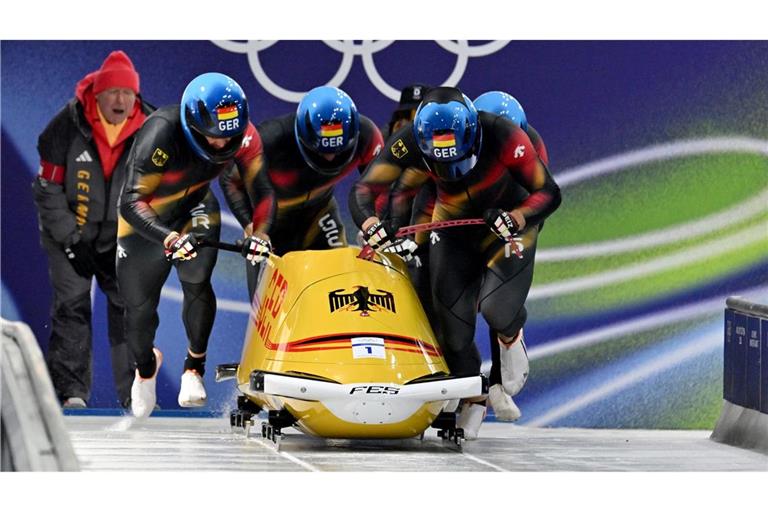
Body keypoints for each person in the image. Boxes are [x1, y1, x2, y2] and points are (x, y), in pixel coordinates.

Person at [350, 87, 561, 439]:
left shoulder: (504, 134)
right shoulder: (409, 141)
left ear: (473, 135)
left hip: (506, 224)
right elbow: (366, 190)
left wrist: (517, 218)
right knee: (453, 330)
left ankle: (510, 335)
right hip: (453, 225)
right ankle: (473, 395)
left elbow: (549, 193)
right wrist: (373, 225)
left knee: (496, 308)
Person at [117, 72, 275, 418]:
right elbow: (130, 201)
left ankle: (194, 368)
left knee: (197, 277)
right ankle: (145, 368)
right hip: (146, 218)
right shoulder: (161, 132)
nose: (222, 143)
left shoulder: (245, 135)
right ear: (192, 124)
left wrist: (260, 233)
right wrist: (169, 238)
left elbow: (262, 189)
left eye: (229, 135)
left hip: (196, 207)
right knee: (139, 309)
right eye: (213, 135)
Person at [32, 50, 152, 409]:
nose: (120, 100)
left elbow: (161, 190)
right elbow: (47, 189)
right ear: (97, 95)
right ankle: (71, 394)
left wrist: (137, 237)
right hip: (69, 234)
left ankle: (135, 396)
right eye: (113, 92)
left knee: (130, 309)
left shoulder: (152, 128)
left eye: (127, 92)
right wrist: (71, 240)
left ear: (136, 97)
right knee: (72, 307)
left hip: (122, 239)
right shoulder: (64, 127)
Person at [220, 85, 383, 298]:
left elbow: (380, 186)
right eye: (321, 150)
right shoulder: (271, 138)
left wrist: (374, 222)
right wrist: (250, 224)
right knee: (268, 301)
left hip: (320, 214)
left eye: (338, 149)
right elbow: (230, 179)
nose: (330, 157)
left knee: (341, 289)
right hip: (270, 223)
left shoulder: (367, 136)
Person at [472, 90, 550, 422]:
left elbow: (537, 203)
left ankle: (500, 374)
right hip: (473, 215)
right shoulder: (461, 141)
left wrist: (513, 221)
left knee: (496, 300)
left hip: (513, 221)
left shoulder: (532, 147)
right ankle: (464, 385)